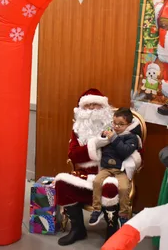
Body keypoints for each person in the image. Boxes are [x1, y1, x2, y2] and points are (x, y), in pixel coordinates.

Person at [55, 89, 143, 245]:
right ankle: (77, 229)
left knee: (111, 186)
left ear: (104, 108)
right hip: (85, 174)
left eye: (96, 105)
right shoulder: (78, 130)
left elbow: (135, 152)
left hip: (112, 173)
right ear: (81, 110)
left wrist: (125, 161)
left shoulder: (116, 126)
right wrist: (94, 144)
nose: (92, 109)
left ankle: (111, 232)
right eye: (88, 105)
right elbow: (73, 155)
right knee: (62, 182)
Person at [89, 108, 139, 227]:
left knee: (123, 188)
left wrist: (114, 138)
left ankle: (123, 215)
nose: (116, 127)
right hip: (106, 168)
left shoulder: (132, 138)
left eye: (121, 124)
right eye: (114, 123)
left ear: (129, 125)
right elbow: (98, 143)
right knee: (96, 181)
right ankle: (96, 209)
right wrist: (103, 136)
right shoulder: (110, 132)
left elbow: (125, 151)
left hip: (121, 170)